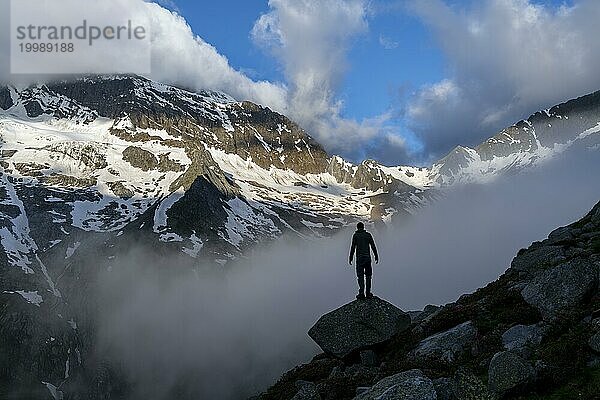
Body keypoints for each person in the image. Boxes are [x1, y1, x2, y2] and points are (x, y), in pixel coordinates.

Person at [348, 222, 379, 299]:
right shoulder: (368, 235)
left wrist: (350, 257)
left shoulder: (355, 235)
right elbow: (373, 246)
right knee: (368, 276)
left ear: (357, 227)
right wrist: (376, 255)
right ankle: (368, 293)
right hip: (368, 258)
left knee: (360, 276)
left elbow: (353, 247)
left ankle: (361, 293)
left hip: (359, 259)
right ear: (363, 227)